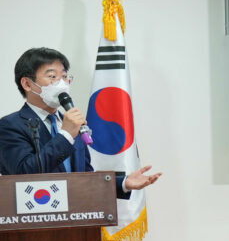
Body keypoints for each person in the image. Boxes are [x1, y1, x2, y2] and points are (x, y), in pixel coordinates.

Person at [0, 47, 160, 197]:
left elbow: (85, 178)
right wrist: (65, 135)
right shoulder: (10, 126)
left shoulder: (73, 124)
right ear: (27, 84)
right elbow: (23, 173)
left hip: (76, 213)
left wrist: (123, 183)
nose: (61, 83)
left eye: (64, 77)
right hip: (38, 212)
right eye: (52, 77)